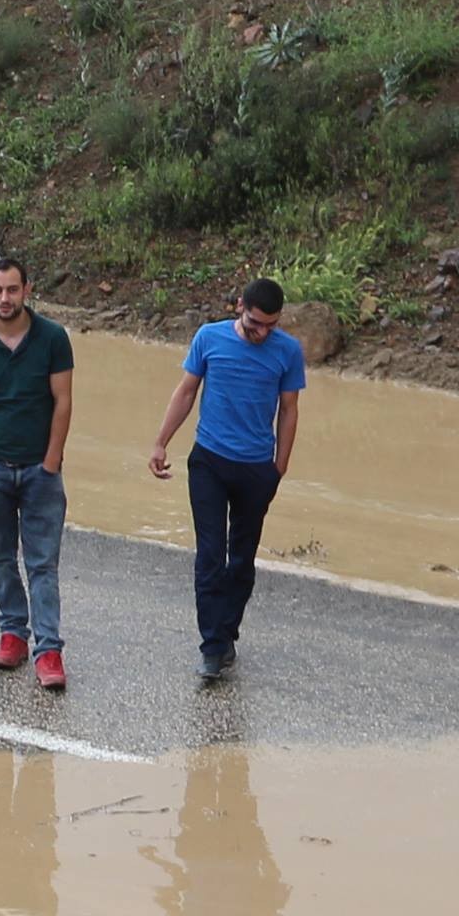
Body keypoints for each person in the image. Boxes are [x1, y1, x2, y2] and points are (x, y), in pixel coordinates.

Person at [150, 275, 307, 682]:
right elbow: (186, 392)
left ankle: (227, 632)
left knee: (240, 560)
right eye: (256, 323)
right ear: (240, 306)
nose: (262, 333)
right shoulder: (209, 338)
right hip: (209, 462)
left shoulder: (288, 352)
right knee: (210, 555)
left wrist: (280, 467)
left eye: (270, 326)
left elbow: (289, 410)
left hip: (256, 468)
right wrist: (161, 442)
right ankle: (212, 647)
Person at [0, 252, 74, 693]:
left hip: (41, 473)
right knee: (1, 560)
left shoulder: (53, 338)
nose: (4, 298)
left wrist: (52, 461)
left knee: (43, 565)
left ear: (27, 290)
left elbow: (63, 401)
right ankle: (12, 635)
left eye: (12, 289)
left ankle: (49, 650)